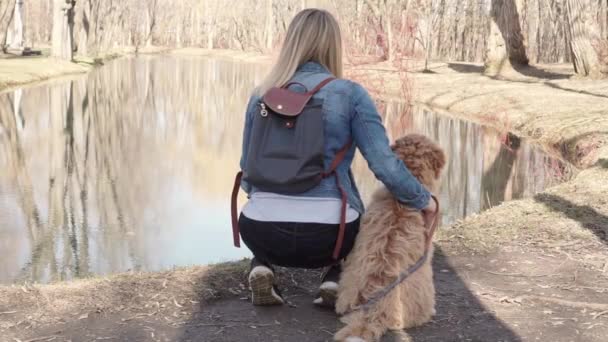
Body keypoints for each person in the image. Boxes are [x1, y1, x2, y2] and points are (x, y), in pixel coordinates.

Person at [237, 8, 436, 307]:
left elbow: (247, 174)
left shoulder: (261, 95)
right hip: (332, 236)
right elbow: (384, 165)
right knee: (360, 223)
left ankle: (262, 265)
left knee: (264, 209)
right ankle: (335, 277)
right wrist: (424, 200)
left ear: (291, 43)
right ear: (334, 45)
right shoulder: (350, 94)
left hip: (259, 230)